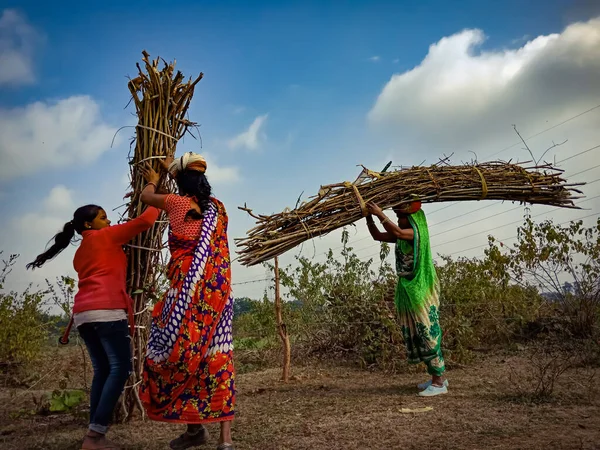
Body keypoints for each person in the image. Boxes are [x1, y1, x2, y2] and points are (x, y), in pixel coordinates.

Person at [27, 203, 160, 449]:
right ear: (89, 224)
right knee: (120, 370)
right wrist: (153, 191)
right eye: (103, 217)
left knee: (102, 371)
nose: (109, 222)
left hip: (83, 316)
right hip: (107, 312)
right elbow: (146, 220)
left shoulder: (81, 252)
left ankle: (95, 435)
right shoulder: (106, 236)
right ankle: (94, 436)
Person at [138, 152, 235, 450]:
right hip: (218, 296)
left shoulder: (176, 203)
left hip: (187, 294)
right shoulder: (218, 209)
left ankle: (195, 430)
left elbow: (146, 196)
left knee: (183, 354)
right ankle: (222, 440)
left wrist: (155, 179)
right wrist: (175, 173)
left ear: (180, 180)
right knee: (217, 358)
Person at [365, 200, 448, 397]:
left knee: (428, 331)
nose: (398, 220)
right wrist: (368, 216)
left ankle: (438, 383)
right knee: (418, 332)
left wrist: (379, 213)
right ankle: (436, 377)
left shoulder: (414, 234)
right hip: (409, 288)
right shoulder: (401, 236)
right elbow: (378, 236)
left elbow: (400, 233)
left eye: (401, 217)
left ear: (412, 219)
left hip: (421, 289)